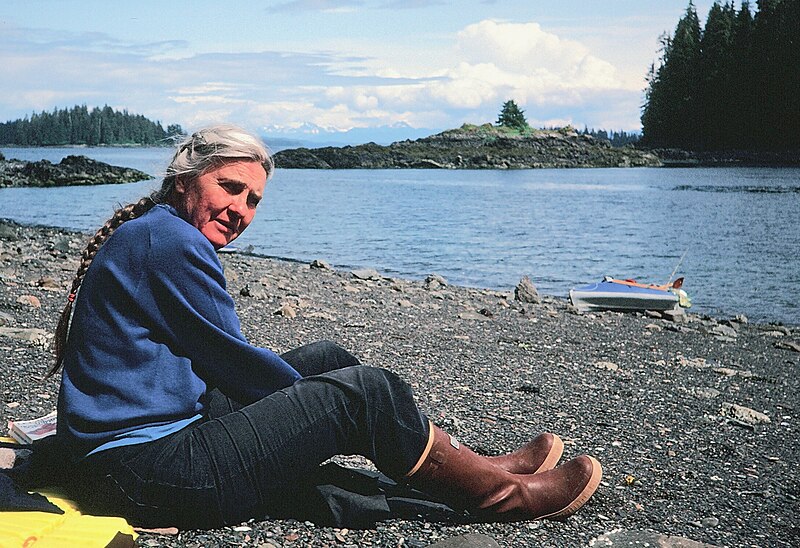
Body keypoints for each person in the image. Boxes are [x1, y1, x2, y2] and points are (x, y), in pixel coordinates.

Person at [50, 124, 602, 529]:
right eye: (229, 187)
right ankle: (504, 494)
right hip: (151, 475)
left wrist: (319, 403)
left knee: (326, 359)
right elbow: (236, 365)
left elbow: (234, 368)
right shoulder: (171, 243)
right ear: (184, 181)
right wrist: (341, 411)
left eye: (253, 200)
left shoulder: (154, 232)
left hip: (132, 456)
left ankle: (468, 465)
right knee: (364, 394)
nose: (240, 208)